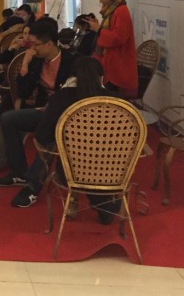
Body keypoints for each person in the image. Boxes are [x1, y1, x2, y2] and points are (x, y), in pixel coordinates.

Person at [9, 57, 121, 223]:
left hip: (71, 171)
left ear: (72, 77)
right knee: (95, 162)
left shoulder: (61, 99)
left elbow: (42, 136)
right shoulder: (116, 101)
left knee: (53, 142)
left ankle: (32, 187)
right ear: (101, 77)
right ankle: (105, 204)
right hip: (112, 171)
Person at [0, 20, 76, 188]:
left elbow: (75, 94)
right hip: (44, 110)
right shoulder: (36, 60)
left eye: (35, 44)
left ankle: (34, 184)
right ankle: (19, 172)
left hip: (67, 115)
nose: (32, 48)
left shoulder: (72, 60)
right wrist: (25, 65)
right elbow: (23, 93)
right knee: (8, 119)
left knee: (50, 127)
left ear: (49, 44)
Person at [85, 0, 138, 97]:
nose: (100, 1)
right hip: (112, 60)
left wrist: (99, 29)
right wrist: (98, 27)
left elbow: (118, 38)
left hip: (119, 63)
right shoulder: (113, 10)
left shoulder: (121, 11)